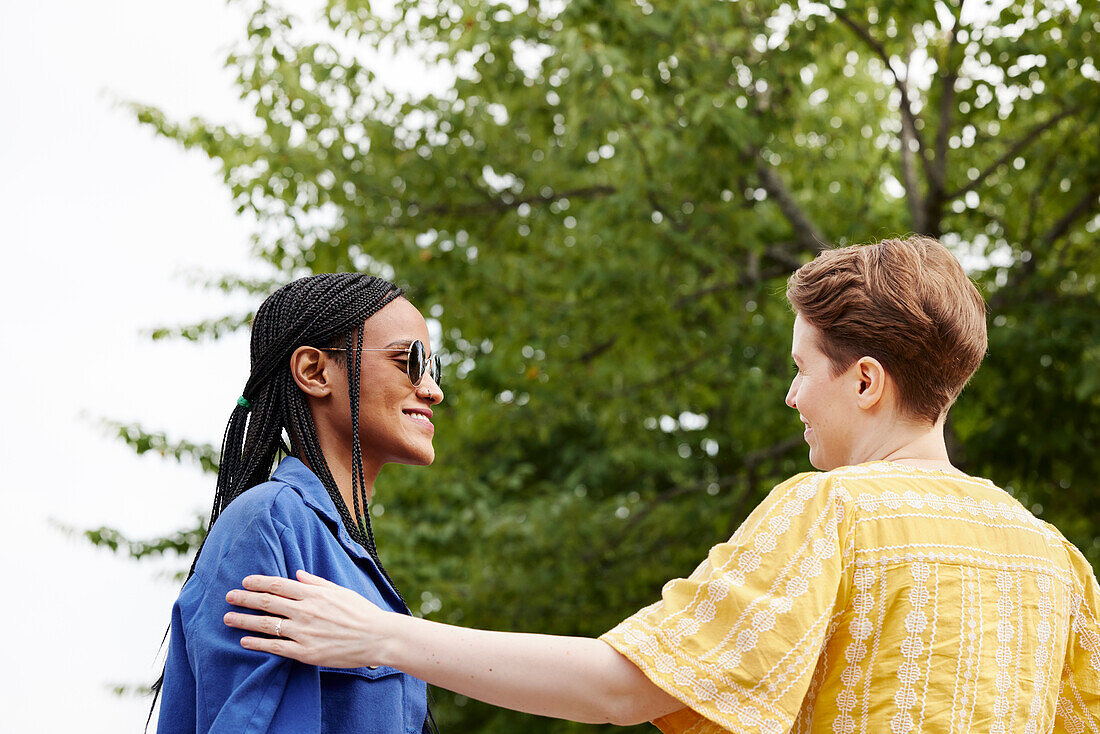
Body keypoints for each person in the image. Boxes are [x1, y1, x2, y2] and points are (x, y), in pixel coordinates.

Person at [223, 237, 1100, 733]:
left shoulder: (833, 512)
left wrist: (385, 637)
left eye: (804, 371)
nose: (793, 395)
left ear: (867, 382)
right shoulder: (1058, 563)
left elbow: (624, 685)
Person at [155, 273, 444, 733]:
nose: (432, 389)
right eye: (409, 361)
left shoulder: (346, 556)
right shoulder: (271, 525)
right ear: (314, 371)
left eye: (435, 368)